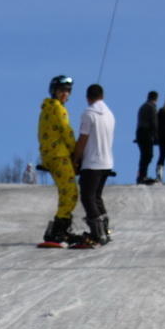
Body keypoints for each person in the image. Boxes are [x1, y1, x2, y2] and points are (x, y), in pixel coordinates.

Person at [70, 83, 116, 247]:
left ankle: (98, 234)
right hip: (107, 162)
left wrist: (76, 158)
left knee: (87, 197)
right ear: (102, 96)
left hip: (92, 162)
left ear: (88, 97)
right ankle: (105, 229)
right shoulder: (110, 114)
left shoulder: (88, 114)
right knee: (96, 197)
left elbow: (83, 139)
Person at [37, 74, 80, 246]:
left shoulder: (46, 108)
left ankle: (60, 227)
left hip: (50, 154)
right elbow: (66, 131)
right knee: (70, 192)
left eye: (68, 91)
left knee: (65, 191)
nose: (65, 94)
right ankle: (59, 229)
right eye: (62, 90)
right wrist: (76, 152)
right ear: (54, 91)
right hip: (59, 154)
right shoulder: (57, 108)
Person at [135, 90, 158, 185]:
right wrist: (156, 136)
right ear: (156, 99)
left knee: (144, 155)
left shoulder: (142, 107)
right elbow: (154, 123)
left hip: (139, 133)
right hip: (147, 133)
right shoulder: (152, 108)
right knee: (148, 155)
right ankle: (142, 176)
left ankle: (141, 175)